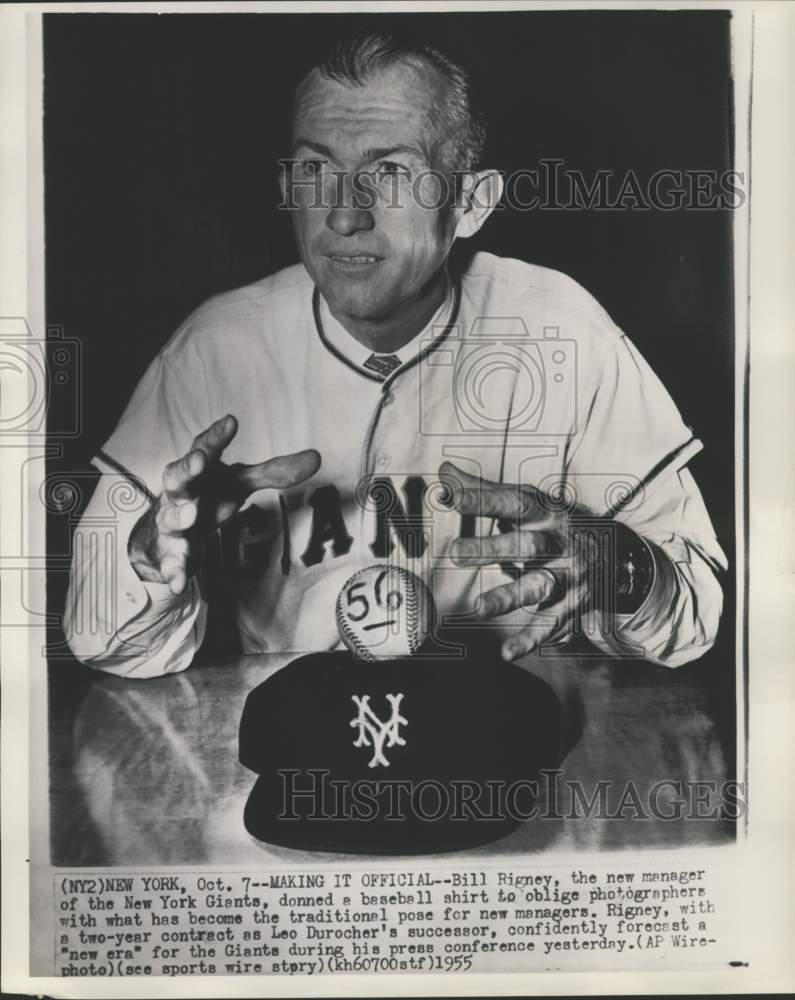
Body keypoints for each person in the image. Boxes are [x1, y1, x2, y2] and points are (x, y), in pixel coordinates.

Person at [64, 32, 726, 679]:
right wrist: (148, 559)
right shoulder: (216, 347)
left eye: (389, 172)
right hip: (288, 738)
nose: (343, 215)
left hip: (513, 731)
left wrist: (619, 564)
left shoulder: (562, 330)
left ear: (470, 203)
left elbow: (697, 614)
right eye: (316, 169)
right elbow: (98, 635)